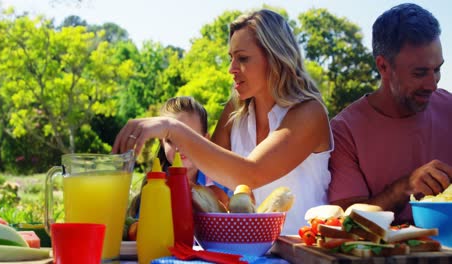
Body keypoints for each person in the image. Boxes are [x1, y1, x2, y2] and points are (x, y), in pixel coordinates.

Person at [114, 9, 332, 234]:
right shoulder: (236, 108)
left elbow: (250, 174)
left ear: (275, 57)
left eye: (243, 58)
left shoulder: (310, 113)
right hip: (243, 253)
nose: (231, 69)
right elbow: (210, 176)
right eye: (231, 58)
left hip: (301, 252)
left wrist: (172, 128)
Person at [328, 3, 452, 225]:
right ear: (383, 66)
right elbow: (348, 221)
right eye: (420, 73)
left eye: (437, 69)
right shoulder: (344, 131)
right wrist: (405, 187)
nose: (432, 85)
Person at [127, 96, 231, 218]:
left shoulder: (224, 184)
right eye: (171, 140)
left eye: (189, 138)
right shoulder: (154, 188)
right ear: (162, 142)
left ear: (205, 140)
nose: (179, 147)